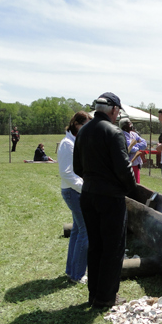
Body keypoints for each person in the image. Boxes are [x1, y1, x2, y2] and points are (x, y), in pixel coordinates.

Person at [73, 92, 136, 308]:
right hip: (110, 199)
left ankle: (94, 294)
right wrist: (131, 189)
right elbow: (124, 168)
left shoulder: (83, 131)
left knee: (96, 246)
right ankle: (106, 297)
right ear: (114, 111)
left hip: (88, 196)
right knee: (113, 248)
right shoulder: (114, 132)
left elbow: (77, 168)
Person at [58, 112, 91, 284]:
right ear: (77, 124)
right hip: (73, 192)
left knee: (78, 230)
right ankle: (78, 274)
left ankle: (72, 270)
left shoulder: (74, 142)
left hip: (76, 190)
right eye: (85, 124)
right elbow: (66, 173)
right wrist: (85, 187)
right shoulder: (67, 144)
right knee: (85, 231)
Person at [119, 118, 147, 183]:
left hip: (136, 163)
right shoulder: (122, 135)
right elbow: (131, 149)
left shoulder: (134, 134)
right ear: (125, 126)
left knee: (137, 184)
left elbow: (144, 144)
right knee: (130, 184)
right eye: (129, 123)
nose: (131, 125)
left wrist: (136, 145)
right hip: (128, 164)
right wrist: (138, 144)